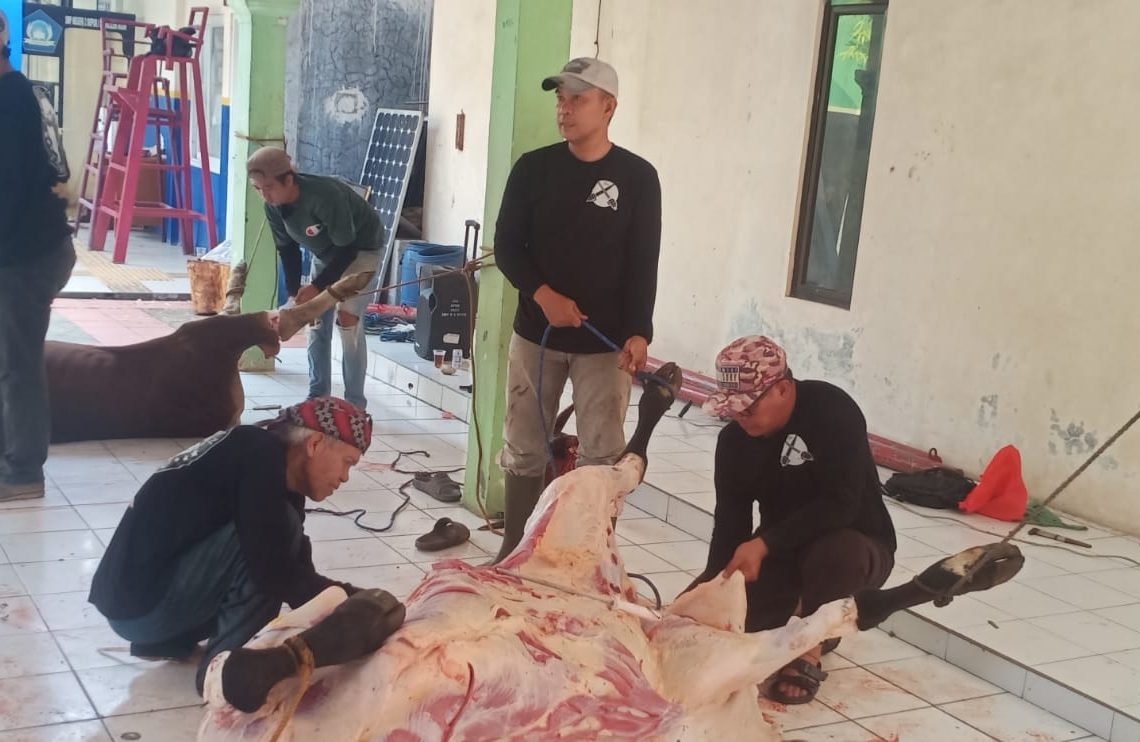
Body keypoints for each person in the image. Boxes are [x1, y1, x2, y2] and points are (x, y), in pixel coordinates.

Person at [89, 397, 404, 693]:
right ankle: (223, 676)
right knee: (267, 553)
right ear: (315, 444)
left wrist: (354, 600)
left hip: (135, 603)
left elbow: (299, 571)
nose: (345, 477)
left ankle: (170, 642)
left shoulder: (268, 459)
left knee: (277, 538)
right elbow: (275, 572)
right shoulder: (259, 455)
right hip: (139, 608)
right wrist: (355, 605)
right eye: (347, 462)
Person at [491, 57, 662, 562]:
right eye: (560, 99)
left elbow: (643, 261)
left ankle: (589, 559)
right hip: (536, 335)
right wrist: (543, 296)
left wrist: (639, 331)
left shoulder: (637, 178)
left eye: (578, 100)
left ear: (608, 108)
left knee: (601, 455)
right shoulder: (533, 169)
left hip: (604, 345)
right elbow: (508, 247)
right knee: (524, 445)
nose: (564, 109)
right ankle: (515, 551)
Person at [687, 336, 896, 704]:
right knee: (707, 627)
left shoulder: (832, 411)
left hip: (856, 547)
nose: (740, 418)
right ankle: (812, 621)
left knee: (836, 552)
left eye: (748, 408)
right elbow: (730, 524)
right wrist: (714, 587)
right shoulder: (734, 443)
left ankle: (809, 649)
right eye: (734, 410)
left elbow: (841, 505)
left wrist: (765, 543)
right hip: (782, 551)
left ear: (783, 389)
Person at [0, 10, 77, 502]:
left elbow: (8, 191)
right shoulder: (22, 94)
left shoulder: (11, 102)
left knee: (17, 363)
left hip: (25, 255)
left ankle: (23, 472)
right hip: (27, 248)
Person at [246, 147, 383, 410]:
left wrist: (318, 286)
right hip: (326, 253)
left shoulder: (324, 196)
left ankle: (355, 404)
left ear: (289, 180)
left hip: (360, 249)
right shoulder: (273, 207)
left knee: (348, 319)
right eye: (257, 189)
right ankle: (317, 395)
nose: (264, 195)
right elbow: (287, 250)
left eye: (269, 187)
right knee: (315, 318)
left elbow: (348, 250)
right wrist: (295, 294)